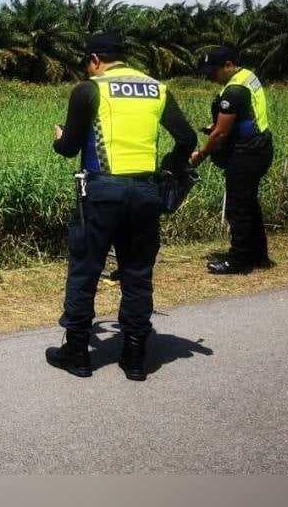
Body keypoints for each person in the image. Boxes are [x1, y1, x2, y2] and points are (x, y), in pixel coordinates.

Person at [47, 32, 196, 381]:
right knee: (137, 274)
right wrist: (168, 167)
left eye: (87, 63)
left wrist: (60, 138)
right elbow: (187, 138)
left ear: (95, 59)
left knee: (85, 270)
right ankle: (134, 357)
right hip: (146, 193)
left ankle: (77, 353)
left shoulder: (90, 89)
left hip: (101, 191)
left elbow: (69, 148)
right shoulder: (157, 89)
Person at [190, 46, 274, 275]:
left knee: (237, 208)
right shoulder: (247, 76)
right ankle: (259, 256)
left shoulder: (234, 90)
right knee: (249, 204)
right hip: (260, 145)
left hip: (247, 152)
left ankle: (239, 261)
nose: (210, 77)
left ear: (228, 65)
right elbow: (246, 115)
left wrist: (201, 154)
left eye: (213, 72)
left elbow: (220, 134)